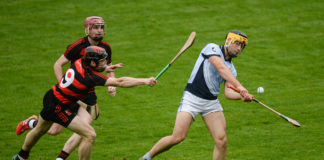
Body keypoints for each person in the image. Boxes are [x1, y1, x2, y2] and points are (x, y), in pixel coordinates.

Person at [12, 46, 157, 160]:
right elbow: (120, 82)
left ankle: (21, 156)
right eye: (102, 61)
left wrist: (105, 68)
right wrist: (144, 80)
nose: (105, 63)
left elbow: (95, 68)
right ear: (92, 62)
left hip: (51, 96)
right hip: (58, 107)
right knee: (89, 134)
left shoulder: (79, 61)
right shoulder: (89, 77)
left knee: (40, 130)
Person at [139, 30, 254, 160]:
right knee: (178, 137)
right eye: (237, 44)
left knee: (222, 141)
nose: (239, 49)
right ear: (228, 41)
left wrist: (241, 96)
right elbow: (220, 68)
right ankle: (147, 157)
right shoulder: (212, 48)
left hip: (211, 103)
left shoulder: (232, 69)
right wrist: (240, 87)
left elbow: (228, 92)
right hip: (192, 98)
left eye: (242, 46)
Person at [15, 16, 116, 160]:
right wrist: (64, 85)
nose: (99, 30)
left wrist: (111, 84)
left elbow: (108, 67)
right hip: (69, 94)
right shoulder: (77, 46)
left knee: (86, 131)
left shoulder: (105, 48)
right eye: (95, 27)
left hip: (88, 95)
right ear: (87, 29)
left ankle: (61, 158)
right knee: (54, 130)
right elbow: (58, 64)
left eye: (101, 27)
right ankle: (33, 123)